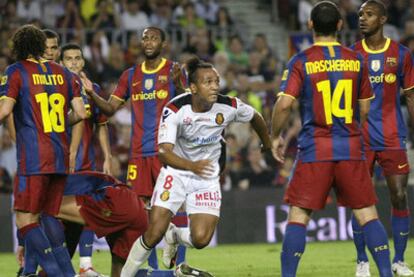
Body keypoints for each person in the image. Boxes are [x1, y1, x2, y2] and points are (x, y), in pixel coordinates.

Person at [270, 2, 393, 277]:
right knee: (367, 214)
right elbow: (363, 110)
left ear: (310, 25)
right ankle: (385, 273)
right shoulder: (357, 60)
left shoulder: (301, 60)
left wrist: (274, 135)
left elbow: (284, 105)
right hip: (350, 147)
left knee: (299, 216)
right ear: (340, 25)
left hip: (315, 148)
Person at [120, 56, 273, 277]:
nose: (214, 87)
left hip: (206, 178)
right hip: (177, 172)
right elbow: (163, 152)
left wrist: (266, 144)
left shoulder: (228, 105)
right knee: (153, 233)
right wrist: (191, 166)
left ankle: (174, 236)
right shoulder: (175, 109)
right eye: (208, 82)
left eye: (216, 81)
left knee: (201, 239)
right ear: (193, 87)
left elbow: (255, 116)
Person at [84, 26, 187, 269]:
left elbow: (189, 106)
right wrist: (91, 93)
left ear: (163, 44)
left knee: (173, 205)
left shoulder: (174, 70)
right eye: (145, 38)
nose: (149, 42)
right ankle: (150, 268)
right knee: (141, 213)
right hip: (139, 154)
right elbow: (109, 109)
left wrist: (179, 87)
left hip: (167, 152)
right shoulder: (130, 76)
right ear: (141, 44)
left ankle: (179, 265)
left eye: (154, 38)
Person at [0, 24, 86, 277]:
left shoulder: (15, 72)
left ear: (18, 46)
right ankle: (65, 273)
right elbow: (80, 113)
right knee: (48, 217)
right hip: (60, 155)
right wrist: (57, 124)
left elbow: (5, 111)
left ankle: (55, 274)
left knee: (25, 220)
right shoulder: (63, 73)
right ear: (40, 46)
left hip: (34, 157)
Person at [350, 1, 414, 276]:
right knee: (360, 200)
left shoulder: (401, 54)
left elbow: (411, 96)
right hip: (360, 138)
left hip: (392, 136)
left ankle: (399, 261)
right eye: (360, 14)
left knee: (399, 196)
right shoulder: (351, 55)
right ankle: (362, 261)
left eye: (369, 14)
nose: (363, 19)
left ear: (383, 19)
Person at [16, 171, 148, 277]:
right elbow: (71, 234)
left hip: (117, 201)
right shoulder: (70, 180)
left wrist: (23, 242)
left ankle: (30, 272)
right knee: (121, 274)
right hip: (134, 207)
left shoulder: (50, 185)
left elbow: (30, 215)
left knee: (46, 210)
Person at [61, 42, 112, 277]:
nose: (73, 62)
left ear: (83, 61)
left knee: (88, 212)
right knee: (58, 217)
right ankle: (41, 266)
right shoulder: (55, 88)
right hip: (58, 163)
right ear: (61, 63)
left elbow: (101, 125)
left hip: (86, 163)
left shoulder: (93, 89)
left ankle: (85, 265)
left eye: (77, 58)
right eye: (68, 58)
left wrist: (108, 157)